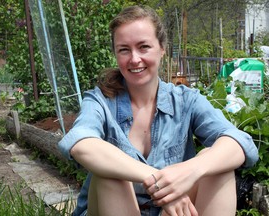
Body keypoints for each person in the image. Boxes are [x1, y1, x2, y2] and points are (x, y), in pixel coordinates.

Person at [58, 5, 259, 216]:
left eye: (143, 47)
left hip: (170, 211)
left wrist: (190, 172)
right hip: (112, 206)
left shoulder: (186, 100)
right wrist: (158, 182)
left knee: (216, 161)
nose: (134, 59)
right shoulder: (100, 101)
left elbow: (239, 143)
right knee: (111, 172)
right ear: (116, 54)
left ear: (162, 48)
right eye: (124, 49)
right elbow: (80, 143)